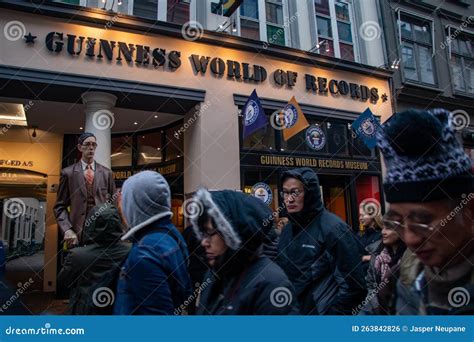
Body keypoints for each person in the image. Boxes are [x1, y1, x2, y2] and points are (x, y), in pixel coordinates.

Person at [376, 108, 473, 315]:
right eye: (397, 222)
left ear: (469, 211)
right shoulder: (402, 277)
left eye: (422, 221)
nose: (410, 240)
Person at [190, 189, 299, 315]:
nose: (204, 242)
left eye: (210, 232)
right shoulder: (215, 274)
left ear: (233, 232)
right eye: (203, 233)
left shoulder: (271, 285)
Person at [275, 167, 367, 315]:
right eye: (285, 192)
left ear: (310, 193)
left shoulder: (333, 229)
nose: (289, 198)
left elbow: (355, 288)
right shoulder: (287, 230)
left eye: (295, 192)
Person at [113, 171, 192, 315]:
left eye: (124, 201)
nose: (120, 208)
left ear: (136, 205)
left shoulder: (145, 254)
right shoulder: (173, 237)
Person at [57, 204, 131, 314]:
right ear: (118, 223)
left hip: (85, 312)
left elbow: (63, 281)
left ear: (91, 224)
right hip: (120, 310)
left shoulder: (77, 256)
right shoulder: (131, 251)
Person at [54, 132, 116, 247]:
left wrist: (114, 230)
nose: (91, 147)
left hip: (102, 232)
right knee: (78, 263)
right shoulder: (68, 173)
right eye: (87, 144)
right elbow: (59, 207)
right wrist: (67, 229)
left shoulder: (107, 173)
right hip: (77, 234)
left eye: (94, 144)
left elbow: (113, 204)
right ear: (79, 147)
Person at [359, 222, 406, 315]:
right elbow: (371, 284)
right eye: (383, 228)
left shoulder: (410, 256)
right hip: (376, 308)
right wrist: (377, 306)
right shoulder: (377, 255)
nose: (383, 232)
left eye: (388, 228)